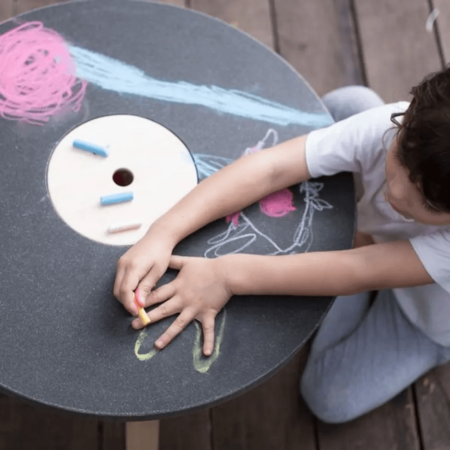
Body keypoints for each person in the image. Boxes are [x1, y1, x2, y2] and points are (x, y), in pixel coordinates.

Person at [114, 66, 450, 423]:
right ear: (408, 116)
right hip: (370, 251)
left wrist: (225, 275)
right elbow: (272, 168)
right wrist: (163, 231)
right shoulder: (397, 128)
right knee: (354, 103)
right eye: (400, 160)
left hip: (424, 318)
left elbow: (360, 269)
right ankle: (359, 240)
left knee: (328, 398)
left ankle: (425, 345)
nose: (396, 192)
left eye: (427, 202)